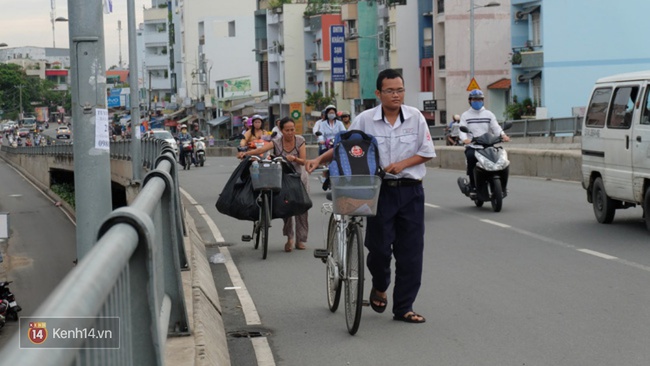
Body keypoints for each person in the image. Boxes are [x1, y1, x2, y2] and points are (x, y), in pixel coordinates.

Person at [306, 69, 436, 324]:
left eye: (400, 90)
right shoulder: (365, 120)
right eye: (390, 90)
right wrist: (319, 158)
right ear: (378, 93)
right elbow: (344, 147)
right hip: (379, 191)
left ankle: (404, 307)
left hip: (411, 190)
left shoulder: (415, 118)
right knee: (378, 249)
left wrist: (403, 164)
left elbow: (427, 151)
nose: (396, 95)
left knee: (411, 252)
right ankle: (379, 285)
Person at [237, 117, 309, 252]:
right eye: (287, 130)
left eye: (292, 130)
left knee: (302, 208)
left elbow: (303, 161)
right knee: (287, 207)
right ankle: (290, 238)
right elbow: (260, 150)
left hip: (299, 177)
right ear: (281, 130)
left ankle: (301, 239)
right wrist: (246, 153)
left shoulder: (300, 140)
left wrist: (294, 158)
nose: (290, 132)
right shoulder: (276, 142)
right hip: (283, 177)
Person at [459, 89, 510, 197]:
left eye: (480, 99)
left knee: (503, 160)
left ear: (483, 100)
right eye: (475, 99)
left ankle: (503, 186)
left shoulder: (489, 114)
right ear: (470, 100)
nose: (477, 101)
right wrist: (465, 139)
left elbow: (496, 128)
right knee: (470, 156)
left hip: (488, 145)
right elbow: (461, 130)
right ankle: (473, 185)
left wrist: (503, 135)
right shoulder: (465, 115)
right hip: (473, 146)